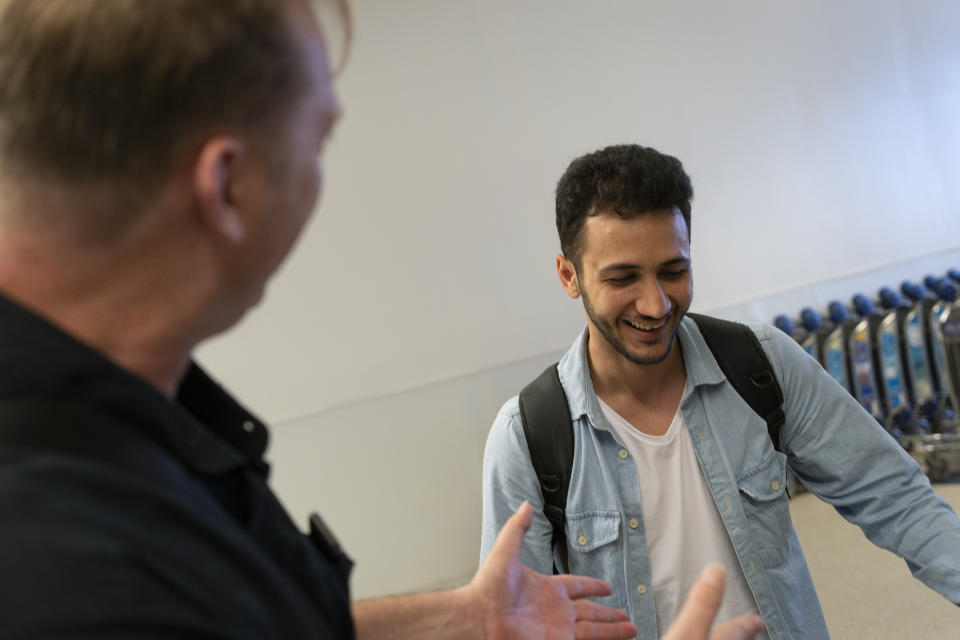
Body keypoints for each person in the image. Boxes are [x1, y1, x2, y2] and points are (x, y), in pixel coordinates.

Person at [0, 2, 764, 639]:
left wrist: (460, 618)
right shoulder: (68, 556)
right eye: (318, 140)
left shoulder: (110, 430)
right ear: (228, 185)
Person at [480, 144, 960, 639]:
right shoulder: (528, 438)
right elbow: (512, 623)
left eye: (674, 271)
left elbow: (895, 497)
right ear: (569, 275)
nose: (656, 303)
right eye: (623, 278)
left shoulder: (760, 364)